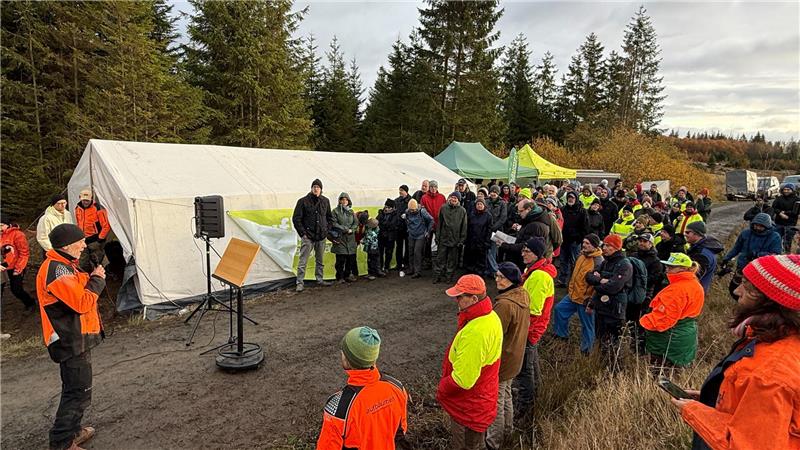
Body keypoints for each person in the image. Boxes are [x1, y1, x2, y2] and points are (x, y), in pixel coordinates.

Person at [670, 254, 800, 450]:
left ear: (773, 301)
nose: (738, 291)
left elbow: (746, 445)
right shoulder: (781, 338)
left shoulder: (768, 375)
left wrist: (695, 411)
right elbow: (762, 414)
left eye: (749, 288)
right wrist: (713, 399)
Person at [37, 223, 106, 450]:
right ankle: (62, 442)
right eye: (80, 241)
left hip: (74, 336)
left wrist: (91, 275)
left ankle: (73, 432)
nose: (83, 245)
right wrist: (97, 280)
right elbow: (81, 302)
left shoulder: (64, 265)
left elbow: (75, 290)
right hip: (69, 339)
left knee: (78, 388)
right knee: (77, 391)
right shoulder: (57, 270)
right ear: (67, 245)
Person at [437, 275, 503, 449]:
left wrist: (442, 387)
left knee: (465, 445)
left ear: (474, 299)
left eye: (460, 296)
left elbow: (463, 380)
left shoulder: (475, 332)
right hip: (481, 399)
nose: (456, 300)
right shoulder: (491, 316)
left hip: (468, 407)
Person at [316, 326, 408, 449]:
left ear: (348, 360)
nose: (341, 353)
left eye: (344, 351)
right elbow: (401, 431)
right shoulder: (397, 387)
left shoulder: (338, 408)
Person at [486, 263, 530, 450]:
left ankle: (493, 441)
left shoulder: (504, 305)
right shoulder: (523, 295)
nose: (497, 280)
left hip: (503, 357)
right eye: (496, 276)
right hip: (515, 355)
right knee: (505, 395)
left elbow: (494, 334)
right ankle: (507, 432)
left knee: (496, 399)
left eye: (501, 277)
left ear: (511, 280)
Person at [515, 237, 557, 428]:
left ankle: (526, 410)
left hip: (530, 330)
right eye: (523, 250)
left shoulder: (539, 276)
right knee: (531, 366)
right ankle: (537, 398)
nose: (523, 253)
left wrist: (519, 331)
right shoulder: (533, 271)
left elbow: (533, 310)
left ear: (537, 254)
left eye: (528, 251)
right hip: (531, 329)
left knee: (524, 371)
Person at [639, 252, 704, 367]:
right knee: (676, 372)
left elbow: (662, 321)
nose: (667, 269)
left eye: (671, 267)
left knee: (660, 372)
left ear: (683, 269)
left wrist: (643, 321)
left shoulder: (676, 290)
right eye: (667, 265)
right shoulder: (695, 284)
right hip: (685, 335)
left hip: (669, 338)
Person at [586, 234, 633, 371]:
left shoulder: (624, 265)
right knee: (600, 339)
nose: (604, 248)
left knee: (614, 341)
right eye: (604, 245)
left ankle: (615, 369)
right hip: (601, 307)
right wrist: (601, 281)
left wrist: (599, 281)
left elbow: (614, 287)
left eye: (608, 246)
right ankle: (601, 365)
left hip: (615, 309)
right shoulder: (605, 262)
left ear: (616, 248)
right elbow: (589, 277)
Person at [553, 233, 603, 354]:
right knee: (559, 310)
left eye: (587, 243)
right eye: (583, 242)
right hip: (573, 295)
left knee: (587, 326)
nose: (584, 245)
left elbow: (598, 284)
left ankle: (586, 351)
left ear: (595, 246)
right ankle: (561, 336)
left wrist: (591, 301)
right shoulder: (581, 256)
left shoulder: (598, 262)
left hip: (585, 299)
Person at [721, 213, 782, 299]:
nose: (757, 228)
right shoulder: (745, 233)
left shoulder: (775, 237)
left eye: (761, 226)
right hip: (743, 266)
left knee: (754, 293)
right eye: (756, 225)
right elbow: (736, 248)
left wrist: (757, 254)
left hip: (761, 269)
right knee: (734, 289)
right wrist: (727, 258)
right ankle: (739, 304)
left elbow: (776, 255)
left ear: (767, 226)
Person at [292, 179, 334, 292]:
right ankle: (299, 283)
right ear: (311, 188)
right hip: (308, 237)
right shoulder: (303, 201)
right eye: (314, 187)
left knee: (320, 260)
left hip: (321, 236)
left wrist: (326, 230)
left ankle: (319, 279)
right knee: (303, 261)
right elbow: (296, 219)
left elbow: (330, 218)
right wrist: (303, 234)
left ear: (321, 189)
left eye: (318, 187)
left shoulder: (325, 201)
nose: (316, 189)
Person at [1, 215, 36, 311]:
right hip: (2, 267)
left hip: (15, 266)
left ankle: (30, 302)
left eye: (1, 225)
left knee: (16, 289)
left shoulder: (17, 235)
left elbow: (24, 253)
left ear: (8, 225)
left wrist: (18, 268)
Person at [74, 189, 111, 273]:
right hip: (83, 240)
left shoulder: (98, 208)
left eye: (87, 200)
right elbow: (78, 222)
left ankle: (100, 278)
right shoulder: (77, 208)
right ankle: (85, 277)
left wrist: (100, 240)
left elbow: (106, 226)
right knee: (82, 261)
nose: (85, 202)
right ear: (80, 199)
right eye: (83, 200)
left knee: (97, 261)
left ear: (91, 199)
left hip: (95, 240)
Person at [435, 192, 467, 283]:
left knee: (452, 260)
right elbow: (439, 224)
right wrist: (437, 237)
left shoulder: (462, 211)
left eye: (455, 198)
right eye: (452, 197)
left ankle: (449, 276)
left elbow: (464, 227)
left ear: (458, 200)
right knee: (440, 258)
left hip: (455, 239)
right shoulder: (443, 208)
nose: (453, 199)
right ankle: (438, 275)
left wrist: (462, 240)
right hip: (443, 238)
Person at [684, 221, 724, 294]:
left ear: (696, 234)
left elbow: (693, 276)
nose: (685, 234)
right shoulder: (699, 248)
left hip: (694, 292)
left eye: (687, 232)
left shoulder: (702, 254)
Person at [558, 192, 588, 287]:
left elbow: (585, 227)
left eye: (572, 197)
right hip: (564, 241)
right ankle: (562, 280)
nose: (570, 199)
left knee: (575, 263)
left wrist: (579, 239)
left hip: (575, 242)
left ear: (576, 199)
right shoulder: (563, 210)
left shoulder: (582, 211)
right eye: (569, 197)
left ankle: (574, 281)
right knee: (563, 261)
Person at [331, 193, 358, 283]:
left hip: (350, 239)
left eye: (346, 200)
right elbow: (334, 223)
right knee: (340, 260)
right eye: (342, 199)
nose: (344, 201)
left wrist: (352, 230)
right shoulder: (335, 211)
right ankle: (340, 277)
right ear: (339, 201)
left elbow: (355, 223)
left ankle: (347, 275)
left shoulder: (351, 212)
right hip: (340, 238)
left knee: (350, 259)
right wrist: (345, 229)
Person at [403, 199, 433, 279]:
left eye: (413, 210)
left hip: (420, 235)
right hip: (411, 234)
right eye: (411, 210)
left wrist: (428, 231)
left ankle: (417, 271)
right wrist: (408, 229)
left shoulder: (422, 212)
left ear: (417, 208)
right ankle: (411, 269)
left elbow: (431, 220)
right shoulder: (407, 211)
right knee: (410, 252)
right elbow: (407, 220)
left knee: (417, 253)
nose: (412, 211)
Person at [420, 180, 447, 269]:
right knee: (427, 243)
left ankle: (439, 262)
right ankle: (427, 261)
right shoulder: (424, 198)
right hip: (428, 224)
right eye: (431, 187)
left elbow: (445, 210)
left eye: (435, 187)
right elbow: (422, 211)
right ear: (429, 187)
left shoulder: (442, 197)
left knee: (440, 243)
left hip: (439, 224)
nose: (433, 188)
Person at [464, 198, 491, 276]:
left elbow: (489, 230)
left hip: (482, 241)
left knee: (481, 259)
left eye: (481, 204)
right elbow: (468, 227)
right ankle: (470, 273)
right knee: (471, 257)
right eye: (478, 204)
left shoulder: (488, 216)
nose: (479, 206)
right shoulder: (472, 215)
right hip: (471, 240)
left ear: (484, 205)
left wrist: (486, 242)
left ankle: (480, 274)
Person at [485, 186, 508, 276]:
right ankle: (490, 268)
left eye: (495, 192)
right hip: (486, 230)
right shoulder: (486, 201)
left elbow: (503, 218)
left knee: (494, 250)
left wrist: (493, 227)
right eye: (492, 192)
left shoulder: (502, 203)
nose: (493, 193)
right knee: (487, 250)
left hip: (497, 230)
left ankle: (494, 270)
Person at [772, 183, 799, 251]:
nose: (786, 191)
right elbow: (774, 207)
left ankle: (787, 252)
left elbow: (795, 211)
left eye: (788, 189)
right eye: (784, 189)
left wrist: (785, 212)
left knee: (788, 240)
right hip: (779, 222)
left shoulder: (797, 199)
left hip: (790, 223)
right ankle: (777, 251)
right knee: (776, 238)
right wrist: (781, 214)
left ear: (792, 190)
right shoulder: (779, 198)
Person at [377, 199, 401, 274]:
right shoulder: (381, 213)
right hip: (381, 236)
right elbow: (377, 222)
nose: (386, 209)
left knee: (389, 252)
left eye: (388, 207)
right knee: (380, 252)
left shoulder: (395, 215)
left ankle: (387, 267)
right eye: (386, 206)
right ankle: (380, 267)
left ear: (393, 208)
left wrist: (383, 225)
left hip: (390, 237)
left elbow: (392, 225)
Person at [394, 185, 411, 274]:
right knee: (399, 246)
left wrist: (406, 216)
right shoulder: (396, 201)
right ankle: (399, 263)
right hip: (398, 227)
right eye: (399, 190)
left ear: (406, 191)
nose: (400, 192)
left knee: (408, 246)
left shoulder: (411, 201)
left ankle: (407, 263)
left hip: (408, 227)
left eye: (402, 190)